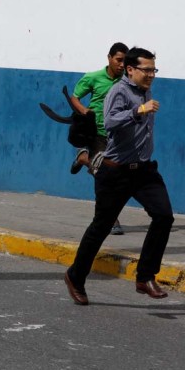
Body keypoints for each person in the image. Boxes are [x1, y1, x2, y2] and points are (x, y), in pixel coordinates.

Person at [64, 47, 174, 306]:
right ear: (130, 69)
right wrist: (139, 111)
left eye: (153, 70)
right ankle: (75, 276)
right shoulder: (119, 91)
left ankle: (145, 277)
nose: (151, 75)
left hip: (144, 170)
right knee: (101, 227)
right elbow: (111, 122)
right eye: (146, 70)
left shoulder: (144, 89)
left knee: (164, 216)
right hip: (115, 171)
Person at [69, 42, 128, 235]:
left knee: (116, 177)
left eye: (124, 61)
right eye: (118, 60)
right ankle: (112, 219)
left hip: (118, 135)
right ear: (109, 58)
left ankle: (83, 158)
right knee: (104, 177)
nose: (121, 64)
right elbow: (75, 97)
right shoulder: (93, 78)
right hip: (98, 133)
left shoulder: (126, 81)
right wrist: (85, 110)